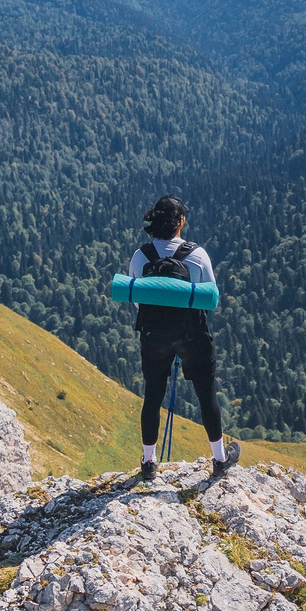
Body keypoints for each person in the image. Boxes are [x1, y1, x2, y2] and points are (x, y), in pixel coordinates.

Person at [117, 194, 240, 485]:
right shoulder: (197, 255)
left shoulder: (140, 256)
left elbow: (138, 301)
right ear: (181, 222)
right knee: (206, 394)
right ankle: (220, 458)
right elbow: (210, 297)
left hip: (154, 337)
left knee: (152, 395)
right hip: (192, 335)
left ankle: (149, 462)